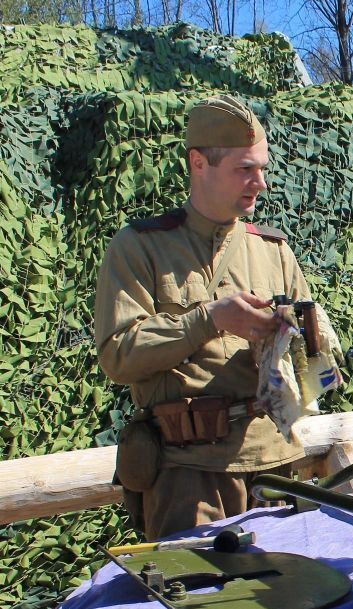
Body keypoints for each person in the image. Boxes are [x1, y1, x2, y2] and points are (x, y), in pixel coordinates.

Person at [95, 95, 313, 540]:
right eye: (244, 169)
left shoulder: (274, 251)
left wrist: (301, 338)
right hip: (188, 476)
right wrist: (210, 319)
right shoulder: (140, 248)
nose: (261, 183)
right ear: (199, 163)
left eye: (262, 168)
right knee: (198, 601)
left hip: (275, 465)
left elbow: (311, 361)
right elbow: (118, 355)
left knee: (294, 602)